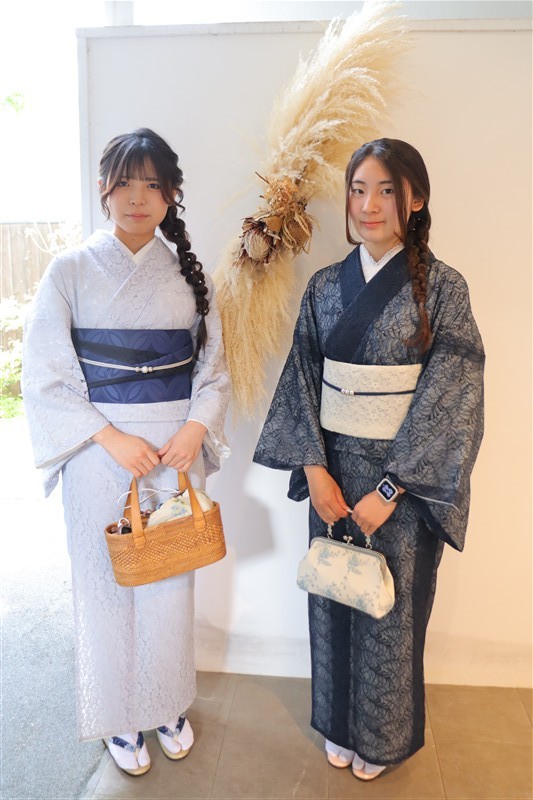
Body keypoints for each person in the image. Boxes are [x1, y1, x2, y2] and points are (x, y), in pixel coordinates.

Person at [253, 138, 484, 781]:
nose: (369, 205)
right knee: (332, 597)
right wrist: (314, 471)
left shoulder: (444, 289)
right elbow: (302, 378)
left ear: (417, 199)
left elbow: (453, 397)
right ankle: (338, 723)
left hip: (401, 487)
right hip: (331, 473)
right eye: (358, 190)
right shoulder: (326, 286)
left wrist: (390, 489)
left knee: (390, 610)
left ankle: (380, 738)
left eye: (386, 190)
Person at [22, 128, 230, 776]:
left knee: (168, 580)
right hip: (98, 453)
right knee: (104, 582)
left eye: (153, 184)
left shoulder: (190, 277)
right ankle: (118, 715)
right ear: (103, 188)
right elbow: (45, 375)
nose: (138, 197)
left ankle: (165, 704)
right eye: (125, 182)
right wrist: (110, 437)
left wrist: (194, 431)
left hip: (172, 454)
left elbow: (214, 373)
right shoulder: (70, 271)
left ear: (171, 195)